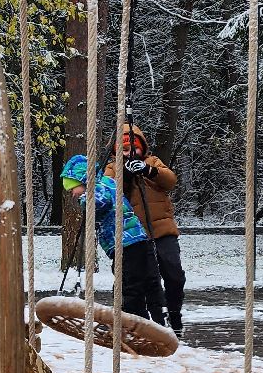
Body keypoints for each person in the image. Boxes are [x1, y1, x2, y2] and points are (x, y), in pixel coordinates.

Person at [60, 153, 165, 322]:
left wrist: (87, 199)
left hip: (128, 243)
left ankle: (135, 323)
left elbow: (101, 202)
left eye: (73, 188)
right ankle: (151, 319)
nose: (72, 194)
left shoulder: (100, 186)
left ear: (83, 179)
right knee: (137, 282)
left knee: (130, 286)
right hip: (130, 243)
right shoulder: (105, 184)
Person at [105, 123, 187, 337]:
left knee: (174, 274)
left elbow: (170, 180)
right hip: (132, 237)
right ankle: (140, 321)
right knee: (136, 279)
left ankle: (174, 314)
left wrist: (148, 171)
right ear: (115, 151)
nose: (129, 153)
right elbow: (107, 190)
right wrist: (124, 172)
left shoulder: (152, 162)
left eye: (134, 148)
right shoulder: (112, 168)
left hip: (161, 230)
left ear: (142, 148)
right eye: (123, 149)